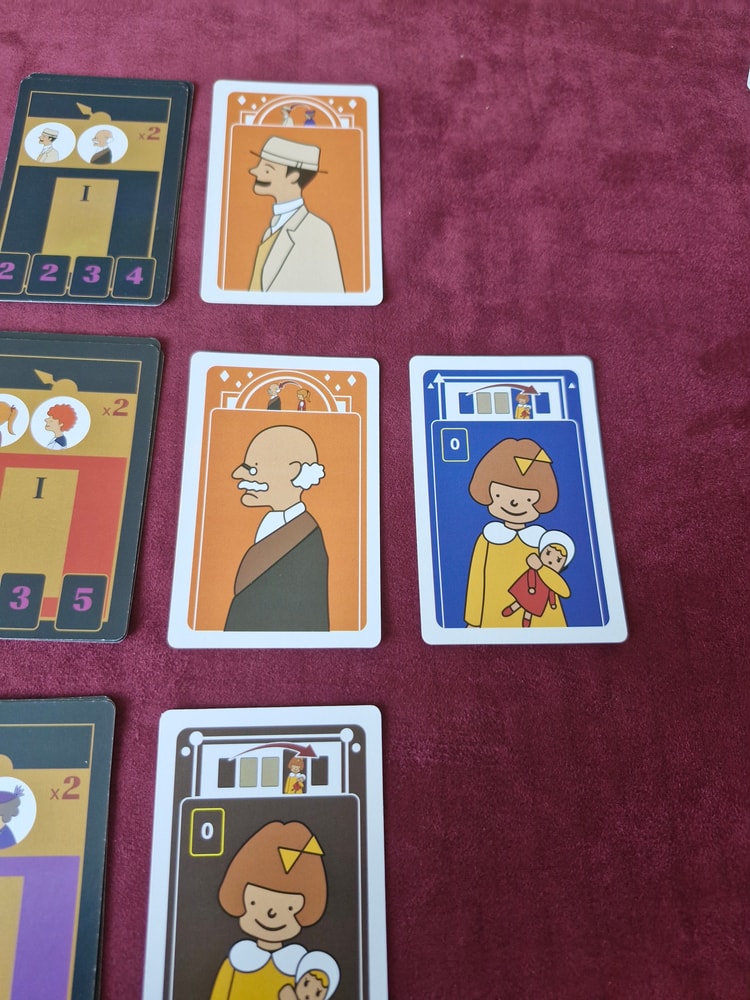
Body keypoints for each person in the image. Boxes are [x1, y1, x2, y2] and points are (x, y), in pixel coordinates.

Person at [209, 821, 335, 1000]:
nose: (271, 914)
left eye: (289, 908)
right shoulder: (236, 964)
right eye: (254, 902)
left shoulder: (299, 973)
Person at [225, 426, 329, 631]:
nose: (237, 474)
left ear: (293, 471)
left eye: (253, 469)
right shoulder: (276, 524)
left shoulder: (306, 539)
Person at [464, 438, 567, 628]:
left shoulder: (543, 543)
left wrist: (540, 568)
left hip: (542, 621)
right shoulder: (488, 539)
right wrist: (473, 621)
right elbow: (476, 581)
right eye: (499, 495)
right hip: (494, 617)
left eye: (528, 499)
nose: (513, 503)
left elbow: (558, 585)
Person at [248, 137, 344, 294]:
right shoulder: (272, 228)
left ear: (293, 176)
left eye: (267, 170)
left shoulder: (318, 230)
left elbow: (334, 294)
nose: (254, 171)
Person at [502, 530, 574, 627]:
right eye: (548, 553)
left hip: (540, 595)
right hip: (528, 590)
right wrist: (531, 586)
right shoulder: (535, 569)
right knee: (520, 602)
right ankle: (512, 608)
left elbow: (552, 591)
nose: (550, 560)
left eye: (558, 560)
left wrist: (552, 603)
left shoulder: (552, 579)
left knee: (530, 609)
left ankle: (526, 620)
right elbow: (531, 575)